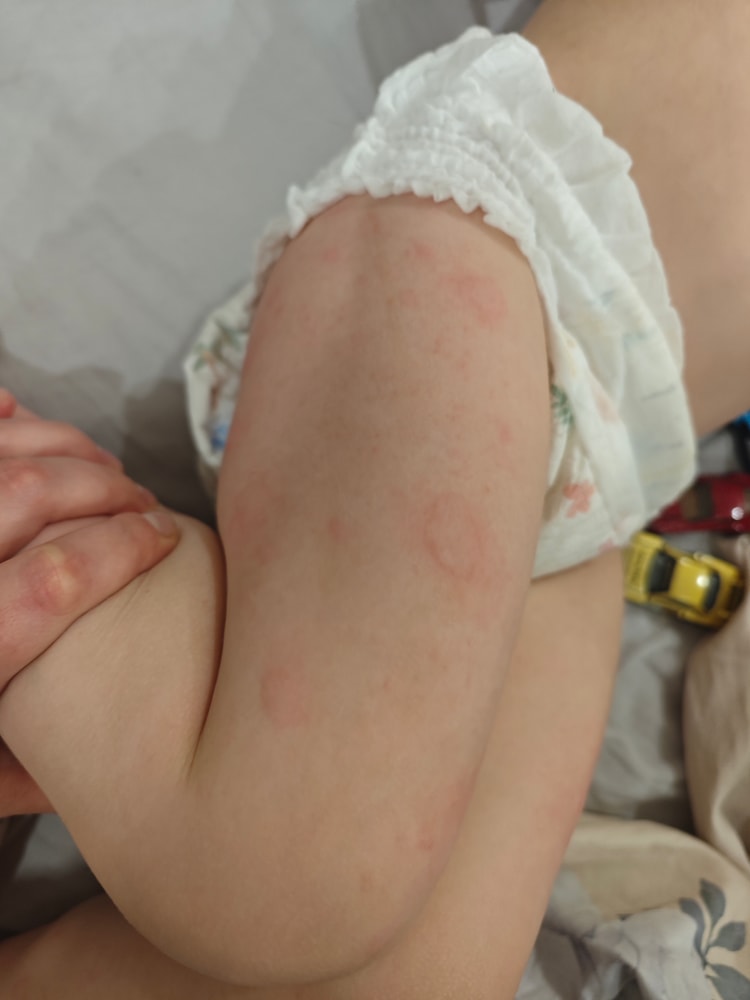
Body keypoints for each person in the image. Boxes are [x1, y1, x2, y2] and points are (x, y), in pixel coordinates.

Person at [1, 0, 750, 995]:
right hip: (491, 230)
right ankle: (60, 609)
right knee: (281, 872)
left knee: (416, 974)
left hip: (603, 465)